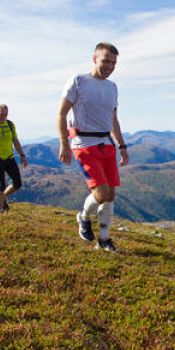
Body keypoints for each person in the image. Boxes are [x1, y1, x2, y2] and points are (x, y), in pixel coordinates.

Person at [57, 42, 129, 252]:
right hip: (84, 144)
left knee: (111, 194)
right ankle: (83, 216)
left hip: (106, 144)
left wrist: (122, 145)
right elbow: (61, 113)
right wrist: (64, 144)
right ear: (94, 59)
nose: (110, 66)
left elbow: (113, 120)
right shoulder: (78, 81)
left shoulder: (112, 87)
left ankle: (104, 239)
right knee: (101, 192)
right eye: (106, 61)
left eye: (114, 63)